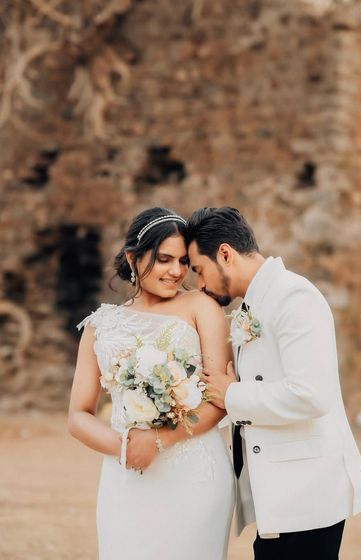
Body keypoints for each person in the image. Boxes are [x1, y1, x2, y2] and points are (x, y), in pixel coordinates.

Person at [186, 207, 361, 560]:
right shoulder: (255, 304)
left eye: (199, 269)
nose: (199, 284)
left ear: (225, 254)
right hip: (281, 495)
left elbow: (311, 395)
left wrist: (232, 394)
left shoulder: (294, 297)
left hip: (308, 496)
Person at [68, 207, 235, 560]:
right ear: (133, 257)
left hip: (194, 472)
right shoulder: (101, 324)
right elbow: (78, 415)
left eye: (183, 262)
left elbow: (220, 400)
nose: (176, 272)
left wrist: (160, 440)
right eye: (163, 259)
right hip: (127, 473)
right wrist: (126, 448)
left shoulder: (201, 307)